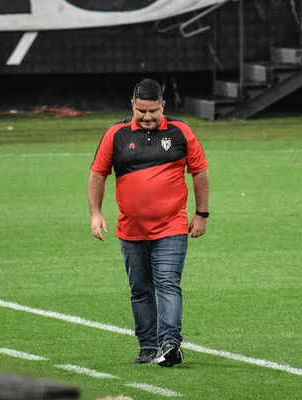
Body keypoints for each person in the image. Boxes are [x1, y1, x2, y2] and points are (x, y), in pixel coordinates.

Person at [87, 78, 210, 368]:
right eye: (141, 111)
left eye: (153, 111)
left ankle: (170, 344)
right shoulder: (115, 134)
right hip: (131, 230)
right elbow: (97, 174)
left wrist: (201, 214)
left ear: (163, 106)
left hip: (172, 226)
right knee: (140, 289)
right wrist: (95, 212)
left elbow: (200, 172)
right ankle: (147, 345)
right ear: (132, 106)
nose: (147, 117)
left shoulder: (181, 132)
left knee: (167, 283)